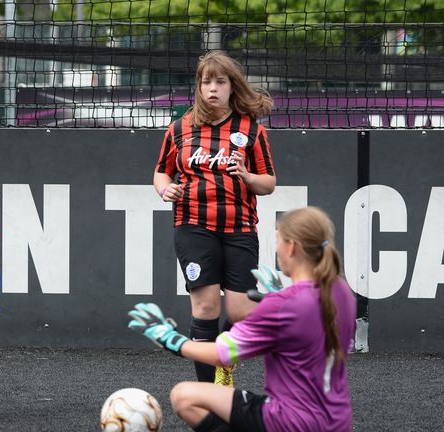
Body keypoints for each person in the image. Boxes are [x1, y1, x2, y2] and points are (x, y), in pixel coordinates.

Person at [128, 206, 356, 432]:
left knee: (184, 396)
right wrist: (277, 297)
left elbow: (220, 354)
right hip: (338, 422)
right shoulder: (341, 291)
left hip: (290, 422)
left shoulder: (282, 306)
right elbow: (308, 328)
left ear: (292, 247)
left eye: (278, 242)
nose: (276, 250)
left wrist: (170, 339)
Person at [153, 50, 276, 386]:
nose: (213, 88)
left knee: (242, 313)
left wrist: (248, 177)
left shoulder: (251, 131)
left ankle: (224, 359)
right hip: (193, 226)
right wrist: (165, 191)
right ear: (198, 87)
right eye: (207, 81)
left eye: (220, 81)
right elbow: (161, 173)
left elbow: (269, 183)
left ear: (232, 87)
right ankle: (209, 395)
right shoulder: (180, 128)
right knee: (205, 309)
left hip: (240, 228)